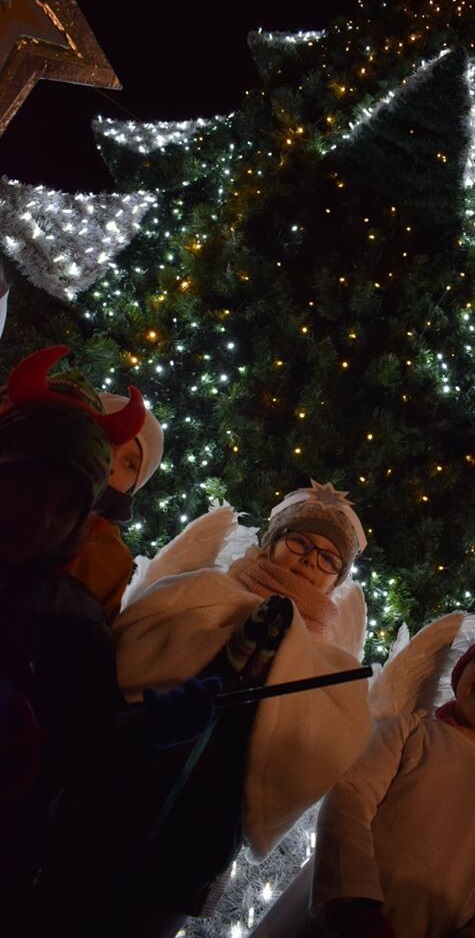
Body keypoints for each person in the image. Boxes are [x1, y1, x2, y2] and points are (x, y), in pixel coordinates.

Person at [0, 345, 216, 936]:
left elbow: (80, 755)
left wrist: (144, 735)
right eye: (29, 488)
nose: (42, 519)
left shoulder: (72, 619)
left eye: (66, 505)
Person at [112, 480, 373, 920]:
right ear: (273, 543)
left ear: (337, 579)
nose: (310, 560)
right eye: (300, 542)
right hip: (118, 795)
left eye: (329, 558)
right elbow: (134, 648)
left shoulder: (334, 668)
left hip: (200, 841)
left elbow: (318, 754)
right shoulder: (202, 592)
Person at [306, 624, 475, 938]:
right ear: (462, 669)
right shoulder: (410, 733)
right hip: (351, 921)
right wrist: (355, 905)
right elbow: (350, 798)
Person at [64, 391, 164, 623]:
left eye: (129, 464)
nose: (110, 466)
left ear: (135, 484)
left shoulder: (112, 558)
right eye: (106, 445)